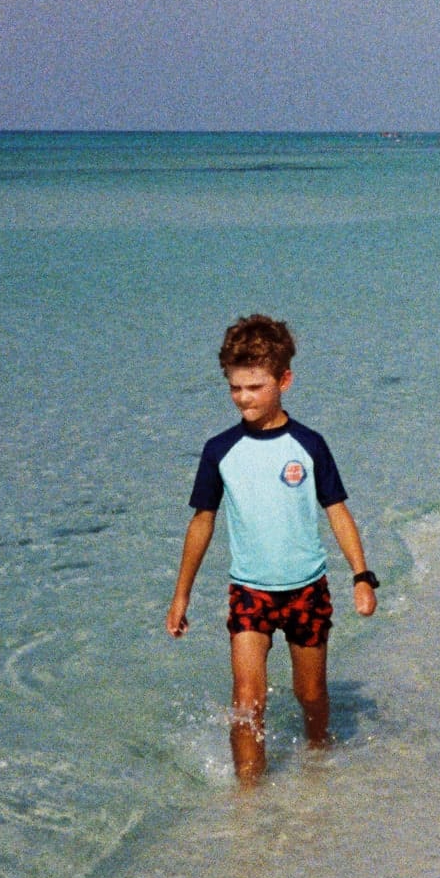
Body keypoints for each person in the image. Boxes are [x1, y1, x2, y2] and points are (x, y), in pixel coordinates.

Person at [165, 315, 377, 782]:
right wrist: (181, 594)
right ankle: (249, 803)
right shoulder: (219, 451)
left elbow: (337, 511)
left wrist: (362, 576)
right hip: (250, 593)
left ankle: (319, 763)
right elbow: (202, 521)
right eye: (236, 388)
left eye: (256, 387)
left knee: (311, 695)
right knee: (246, 701)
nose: (244, 398)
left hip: (306, 591)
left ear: (284, 380)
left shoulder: (309, 445)